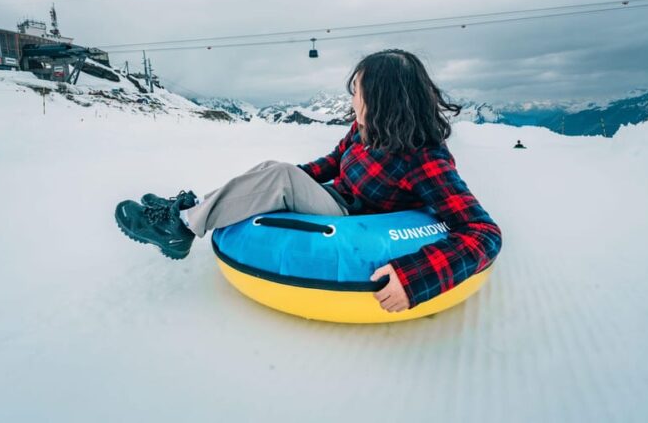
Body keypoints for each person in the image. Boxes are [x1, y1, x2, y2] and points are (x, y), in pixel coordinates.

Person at [115, 49, 501, 313]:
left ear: (386, 102)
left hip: (357, 222)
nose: (353, 102)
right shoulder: (366, 131)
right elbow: (333, 162)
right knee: (276, 169)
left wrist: (415, 278)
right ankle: (192, 209)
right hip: (337, 200)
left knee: (280, 176)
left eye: (360, 93)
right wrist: (283, 183)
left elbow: (482, 232)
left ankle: (179, 228)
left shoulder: (424, 158)